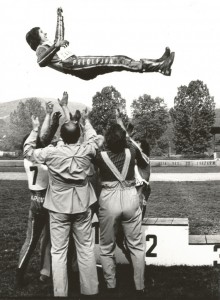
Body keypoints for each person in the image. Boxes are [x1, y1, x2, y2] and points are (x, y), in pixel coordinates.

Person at [24, 99, 101, 297]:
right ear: (78, 136)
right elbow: (94, 139)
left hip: (58, 207)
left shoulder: (52, 152)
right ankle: (90, 290)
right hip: (83, 205)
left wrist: (34, 130)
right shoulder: (86, 149)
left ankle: (60, 292)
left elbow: (28, 152)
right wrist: (86, 122)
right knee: (85, 248)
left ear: (61, 137)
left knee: (58, 251)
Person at [26, 8, 175, 81]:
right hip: (74, 65)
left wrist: (59, 17)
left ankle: (160, 65)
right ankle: (160, 66)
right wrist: (56, 46)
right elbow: (40, 62)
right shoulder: (40, 49)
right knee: (118, 61)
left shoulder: (49, 45)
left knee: (120, 60)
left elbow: (59, 38)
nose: (45, 33)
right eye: (41, 32)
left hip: (78, 67)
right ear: (36, 38)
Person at [93, 123, 149, 298]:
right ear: (123, 140)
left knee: (107, 246)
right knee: (136, 246)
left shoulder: (100, 156)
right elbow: (144, 162)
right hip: (130, 196)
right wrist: (128, 139)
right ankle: (139, 286)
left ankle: (111, 284)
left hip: (109, 198)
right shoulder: (131, 151)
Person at [16, 102, 61, 287]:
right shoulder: (46, 158)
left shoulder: (27, 160)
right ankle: (53, 272)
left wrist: (49, 123)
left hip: (35, 200)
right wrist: (52, 122)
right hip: (49, 200)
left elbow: (39, 140)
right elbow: (45, 140)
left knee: (30, 241)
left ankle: (20, 273)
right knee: (52, 239)